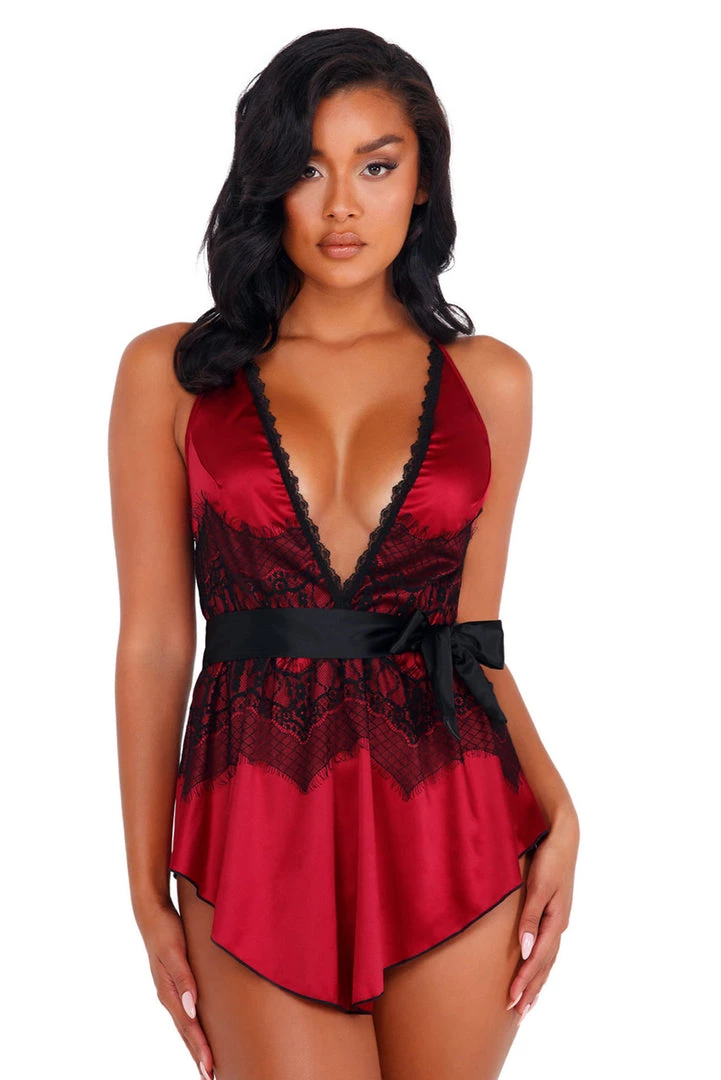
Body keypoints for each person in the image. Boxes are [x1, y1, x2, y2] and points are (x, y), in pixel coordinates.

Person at [108, 27, 580, 1080]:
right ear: (266, 182)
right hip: (253, 814)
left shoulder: (492, 381)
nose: (340, 208)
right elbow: (153, 645)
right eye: (308, 169)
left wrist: (559, 809)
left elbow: (473, 637)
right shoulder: (171, 374)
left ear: (423, 182)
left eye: (375, 166)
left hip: (454, 809)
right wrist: (143, 887)